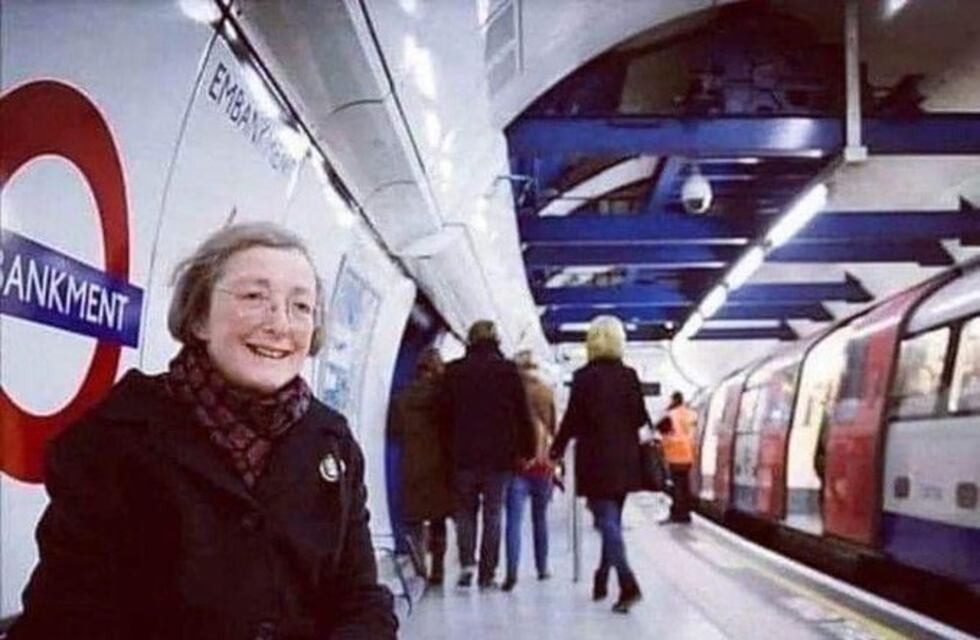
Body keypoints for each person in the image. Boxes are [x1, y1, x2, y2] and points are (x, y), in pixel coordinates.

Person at [8, 223, 398, 640]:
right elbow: (67, 617)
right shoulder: (116, 440)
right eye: (254, 297)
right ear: (198, 318)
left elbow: (361, 598)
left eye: (301, 306)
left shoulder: (331, 442)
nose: (280, 324)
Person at [550, 316, 648, 614]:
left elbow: (572, 421)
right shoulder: (629, 376)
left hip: (595, 461)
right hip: (625, 460)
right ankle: (602, 577)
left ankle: (628, 583)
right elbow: (641, 418)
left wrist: (555, 451)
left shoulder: (582, 378)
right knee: (612, 521)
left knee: (606, 522)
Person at [440, 320, 535, 589]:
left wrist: (446, 451)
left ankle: (467, 564)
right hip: (499, 458)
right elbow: (522, 414)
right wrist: (527, 449)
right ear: (496, 340)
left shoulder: (454, 371)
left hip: (462, 455)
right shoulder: (507, 371)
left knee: (465, 512)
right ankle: (487, 573)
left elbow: (443, 417)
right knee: (493, 513)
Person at [387, 348, 454, 585]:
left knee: (414, 520)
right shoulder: (443, 397)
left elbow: (394, 431)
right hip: (439, 464)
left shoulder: (401, 398)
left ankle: (420, 568)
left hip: (412, 463)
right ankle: (438, 570)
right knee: (438, 520)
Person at [502, 350, 557, 592]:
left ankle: (511, 572)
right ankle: (542, 568)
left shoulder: (507, 393)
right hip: (542, 465)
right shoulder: (545, 391)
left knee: (513, 520)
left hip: (516, 464)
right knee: (540, 519)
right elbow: (554, 426)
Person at [660, 391, 697, 524]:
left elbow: (661, 432)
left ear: (673, 400)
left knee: (677, 486)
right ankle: (686, 513)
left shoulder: (670, 415)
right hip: (688, 455)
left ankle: (677, 514)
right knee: (685, 485)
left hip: (674, 455)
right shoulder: (691, 414)